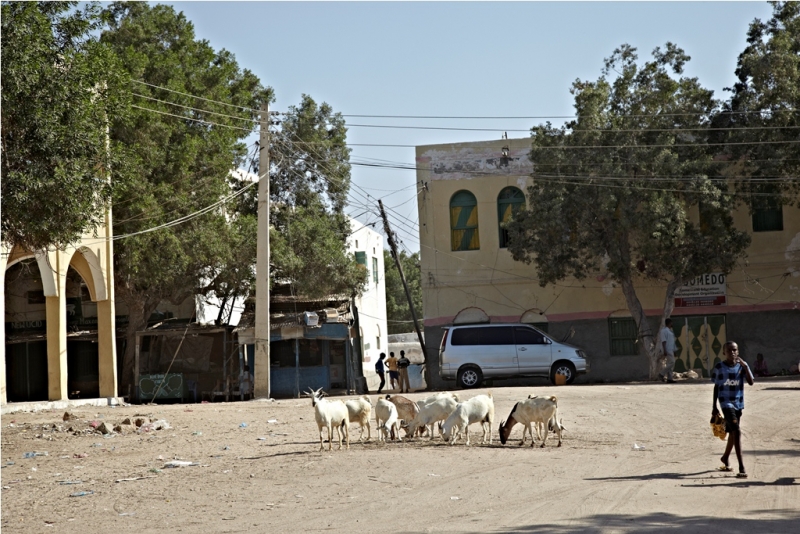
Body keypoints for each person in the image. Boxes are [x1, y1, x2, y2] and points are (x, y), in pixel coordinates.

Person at [711, 341, 754, 478]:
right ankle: (741, 466)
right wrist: (714, 406)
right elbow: (716, 387)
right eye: (729, 350)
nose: (732, 353)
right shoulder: (719, 367)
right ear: (724, 352)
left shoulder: (742, 367)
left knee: (732, 432)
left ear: (738, 351)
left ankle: (725, 457)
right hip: (725, 403)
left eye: (734, 350)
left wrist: (745, 366)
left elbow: (751, 382)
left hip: (738, 403)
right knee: (737, 430)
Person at [658, 318, 676, 383]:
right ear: (669, 323)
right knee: (672, 362)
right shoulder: (664, 331)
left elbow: (672, 341)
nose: (672, 324)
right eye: (671, 323)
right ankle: (661, 374)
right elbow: (663, 341)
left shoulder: (670, 331)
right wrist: (665, 350)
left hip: (671, 349)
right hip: (667, 349)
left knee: (670, 363)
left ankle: (670, 378)